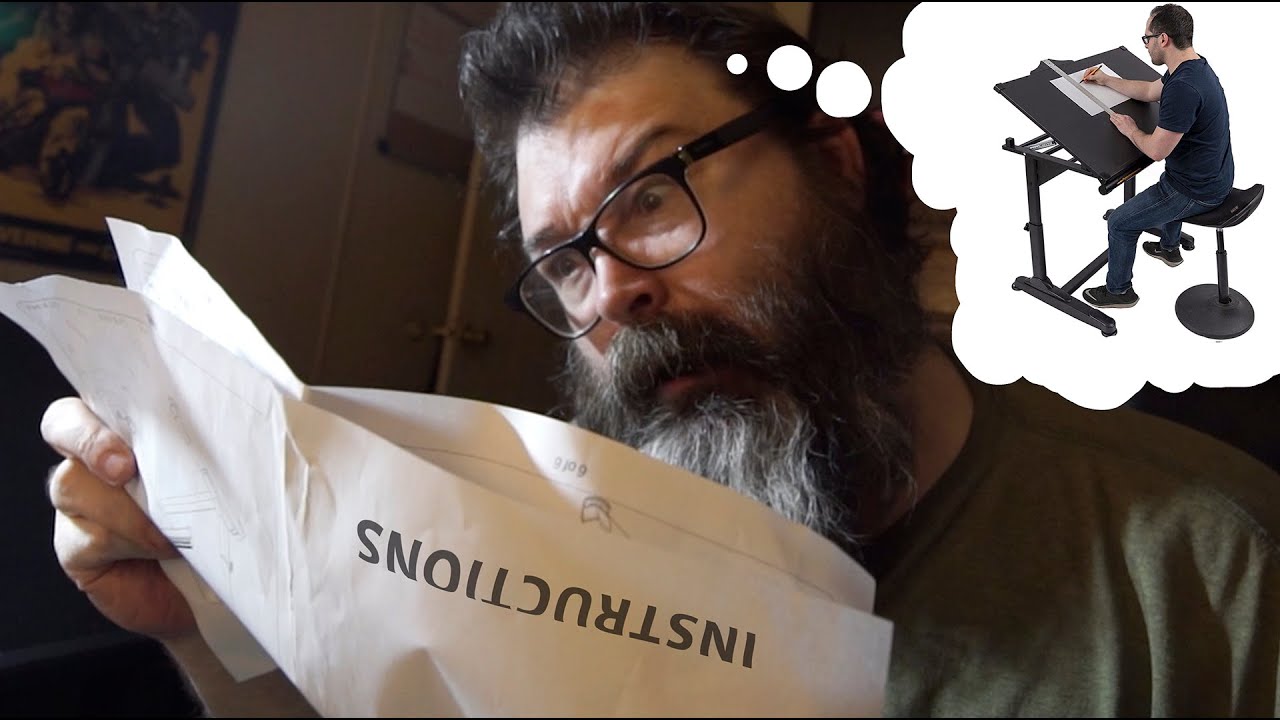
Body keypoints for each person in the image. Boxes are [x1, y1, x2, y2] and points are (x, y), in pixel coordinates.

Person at [37, 3, 1280, 716]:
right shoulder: (550, 567)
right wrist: (205, 618)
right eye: (564, 260)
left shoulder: (1209, 575)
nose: (616, 290)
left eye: (646, 195)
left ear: (834, 168)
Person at [1081, 3, 1234, 309]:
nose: (1146, 44)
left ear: (1163, 39)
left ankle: (1119, 292)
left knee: (1120, 222)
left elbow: (1156, 150)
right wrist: (1106, 80)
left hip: (1196, 191)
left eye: (1147, 38)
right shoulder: (1193, 67)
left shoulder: (1184, 88)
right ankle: (1169, 248)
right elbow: (1150, 90)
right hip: (1213, 176)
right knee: (1169, 179)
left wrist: (1131, 129)